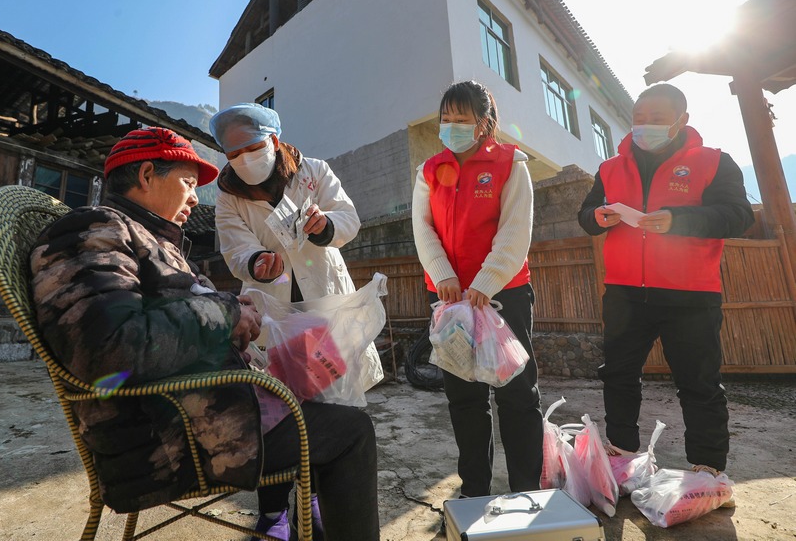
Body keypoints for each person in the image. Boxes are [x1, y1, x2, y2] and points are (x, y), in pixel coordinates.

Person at [29, 127, 380, 540]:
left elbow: (168, 321)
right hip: (166, 439)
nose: (196, 198)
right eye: (188, 184)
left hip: (196, 410)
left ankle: (313, 515)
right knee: (351, 432)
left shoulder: (148, 239)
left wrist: (236, 316)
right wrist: (227, 313)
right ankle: (285, 516)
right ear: (146, 176)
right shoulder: (92, 230)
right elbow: (111, 348)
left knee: (319, 394)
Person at [210, 102, 373, 540]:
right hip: (274, 317)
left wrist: (324, 225)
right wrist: (256, 261)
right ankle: (272, 513)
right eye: (233, 154)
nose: (244, 159)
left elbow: (349, 220)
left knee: (327, 406)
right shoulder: (228, 195)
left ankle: (313, 499)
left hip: (322, 306)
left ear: (275, 140)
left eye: (253, 147)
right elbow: (234, 248)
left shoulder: (313, 172)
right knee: (276, 409)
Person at [577, 83, 754, 485]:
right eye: (639, 119)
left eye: (656, 119)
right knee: (618, 374)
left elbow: (739, 215)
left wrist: (678, 219)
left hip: (691, 294)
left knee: (699, 383)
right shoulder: (610, 168)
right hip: (624, 291)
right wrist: (598, 216)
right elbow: (586, 214)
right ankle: (622, 455)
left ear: (681, 121)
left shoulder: (713, 162)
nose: (645, 126)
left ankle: (707, 469)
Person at [412, 80, 543, 501]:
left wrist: (485, 283)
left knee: (517, 395)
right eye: (445, 119)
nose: (451, 126)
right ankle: (475, 490)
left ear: (483, 124)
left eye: (461, 119)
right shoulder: (429, 170)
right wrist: (443, 274)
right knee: (464, 399)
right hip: (450, 302)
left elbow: (515, 230)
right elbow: (423, 229)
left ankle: (526, 488)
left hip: (505, 296)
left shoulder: (511, 164)